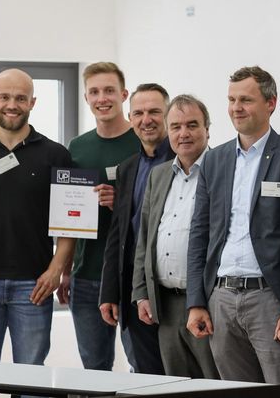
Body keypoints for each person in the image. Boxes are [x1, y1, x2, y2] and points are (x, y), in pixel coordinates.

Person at [186, 66, 280, 383]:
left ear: (270, 103)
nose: (236, 108)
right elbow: (200, 235)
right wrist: (197, 302)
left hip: (271, 300)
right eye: (231, 99)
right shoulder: (215, 160)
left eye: (245, 99)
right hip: (221, 299)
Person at [0, 69, 74, 398]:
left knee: (31, 385)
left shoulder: (57, 154)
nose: (12, 104)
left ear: (32, 102)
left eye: (20, 98)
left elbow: (70, 220)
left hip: (34, 286)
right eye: (5, 97)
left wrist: (57, 269)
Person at [132, 95, 219, 379]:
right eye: (176, 126)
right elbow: (144, 238)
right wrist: (142, 292)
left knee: (216, 384)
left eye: (192, 125)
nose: (184, 134)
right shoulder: (158, 176)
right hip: (165, 305)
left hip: (209, 302)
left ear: (207, 128)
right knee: (176, 385)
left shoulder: (223, 170)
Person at [65, 62, 139, 371]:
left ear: (123, 94)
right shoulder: (77, 147)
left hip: (134, 278)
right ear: (86, 98)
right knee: (94, 369)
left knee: (143, 366)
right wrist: (65, 270)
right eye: (94, 92)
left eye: (109, 90)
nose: (102, 98)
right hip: (87, 276)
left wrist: (121, 202)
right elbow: (67, 216)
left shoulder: (142, 141)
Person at [99, 84, 173, 375]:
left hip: (172, 292)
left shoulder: (184, 162)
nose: (147, 119)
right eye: (139, 113)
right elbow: (118, 235)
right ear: (130, 118)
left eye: (155, 111)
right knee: (144, 374)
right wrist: (109, 292)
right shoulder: (127, 168)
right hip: (133, 289)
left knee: (180, 375)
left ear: (167, 115)